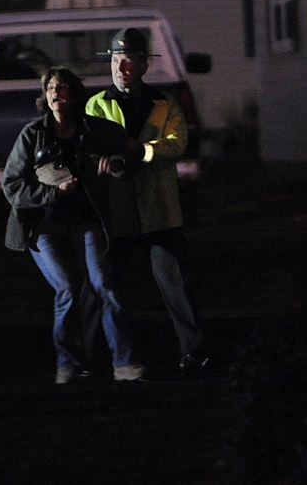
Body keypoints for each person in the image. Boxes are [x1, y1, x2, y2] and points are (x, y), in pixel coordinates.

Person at [2, 66, 146, 384]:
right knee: (67, 288)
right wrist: (51, 193)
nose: (56, 93)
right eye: (51, 88)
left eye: (63, 87)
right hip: (44, 226)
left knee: (103, 285)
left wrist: (116, 163)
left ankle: (124, 363)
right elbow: (11, 184)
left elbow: (129, 151)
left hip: (87, 221)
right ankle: (68, 364)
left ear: (75, 94)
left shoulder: (94, 130)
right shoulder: (33, 134)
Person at [85, 28, 212, 377]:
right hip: (118, 213)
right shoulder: (96, 104)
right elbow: (88, 147)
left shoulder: (164, 104)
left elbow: (177, 143)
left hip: (159, 212)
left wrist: (139, 151)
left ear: (143, 65)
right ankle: (90, 356)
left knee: (176, 287)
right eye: (116, 60)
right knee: (103, 285)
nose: (121, 67)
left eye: (128, 61)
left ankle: (194, 352)